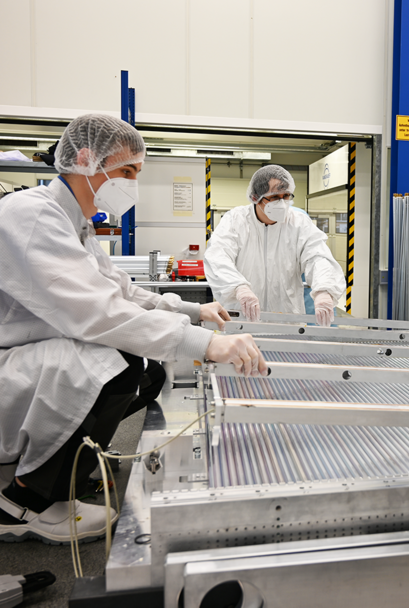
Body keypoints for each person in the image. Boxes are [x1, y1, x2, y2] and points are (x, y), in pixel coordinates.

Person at [0, 114, 267, 544]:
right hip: (12, 358)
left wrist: (193, 314)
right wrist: (205, 344)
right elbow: (100, 312)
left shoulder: (76, 223)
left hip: (39, 349)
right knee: (117, 363)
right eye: (127, 171)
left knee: (148, 373)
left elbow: (121, 289)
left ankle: (67, 472)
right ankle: (23, 502)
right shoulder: (32, 216)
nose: (132, 183)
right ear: (85, 159)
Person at [204, 165, 345, 326]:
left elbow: (318, 257)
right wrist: (238, 287)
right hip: (241, 321)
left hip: (287, 322)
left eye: (286, 196)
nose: (282, 203)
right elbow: (218, 256)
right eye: (275, 196)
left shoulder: (298, 223)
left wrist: (324, 290)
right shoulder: (235, 220)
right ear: (255, 197)